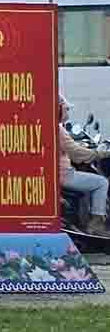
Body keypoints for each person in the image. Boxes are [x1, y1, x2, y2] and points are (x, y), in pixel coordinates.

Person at [59, 97, 110, 236]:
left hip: (57, 173)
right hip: (63, 175)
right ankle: (96, 224)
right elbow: (76, 154)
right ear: (57, 109)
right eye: (66, 108)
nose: (67, 111)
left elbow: (69, 147)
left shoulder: (53, 126)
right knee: (101, 182)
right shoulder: (57, 129)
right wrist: (98, 153)